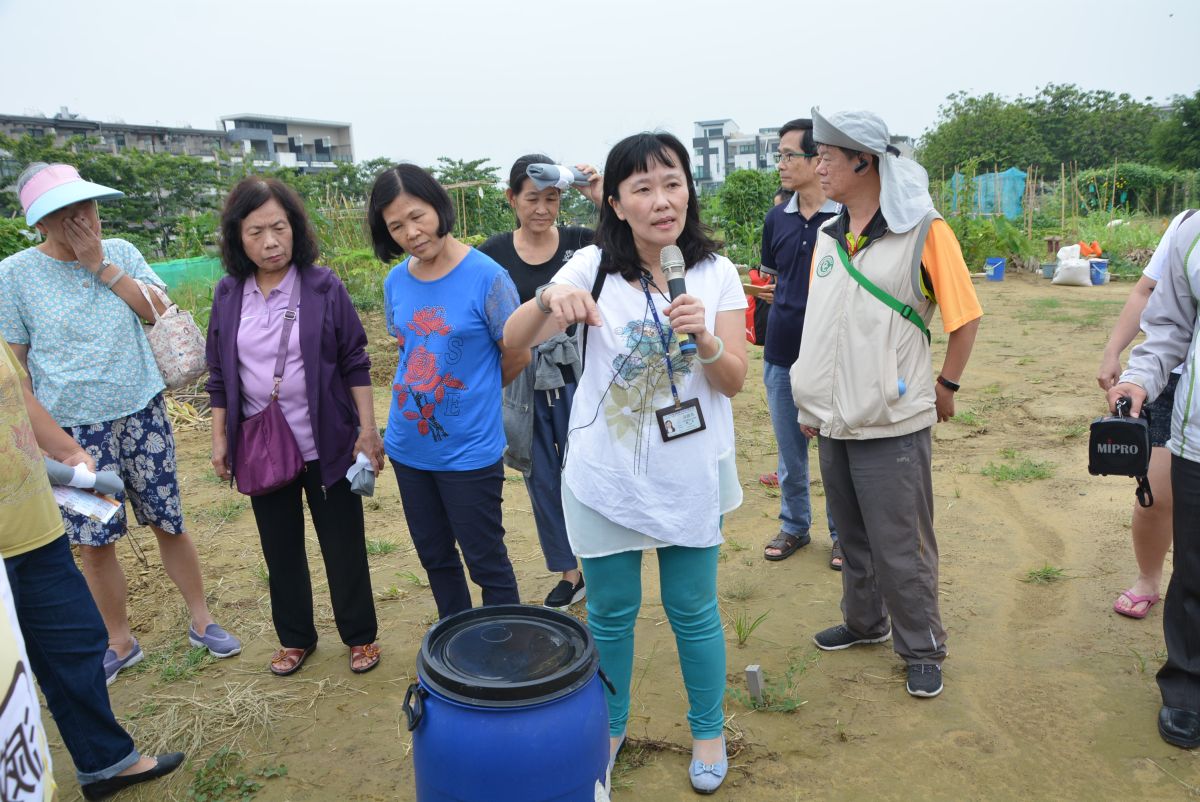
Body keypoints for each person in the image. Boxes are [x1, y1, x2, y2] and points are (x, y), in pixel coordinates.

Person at [504, 132, 748, 794]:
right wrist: (548, 301)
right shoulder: (590, 266)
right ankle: (607, 729)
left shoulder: (715, 272)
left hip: (688, 470)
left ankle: (706, 728)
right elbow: (515, 341)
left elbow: (733, 380)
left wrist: (701, 338)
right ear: (615, 202)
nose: (661, 200)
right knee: (609, 611)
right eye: (642, 188)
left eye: (672, 182)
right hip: (605, 473)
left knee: (692, 607)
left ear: (689, 189)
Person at [0, 163, 239, 685]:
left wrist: (101, 266)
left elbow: (160, 312)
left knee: (167, 518)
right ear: (41, 223)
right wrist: (49, 445)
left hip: (141, 411)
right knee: (96, 538)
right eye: (65, 213)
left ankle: (202, 619)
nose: (82, 220)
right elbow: (15, 368)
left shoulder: (123, 252)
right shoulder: (15, 274)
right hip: (74, 434)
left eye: (86, 207)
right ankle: (119, 640)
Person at [792, 109, 981, 699]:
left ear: (863, 161)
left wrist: (946, 385)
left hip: (892, 420)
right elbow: (822, 327)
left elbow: (965, 316)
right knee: (851, 537)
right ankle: (864, 623)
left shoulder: (925, 231)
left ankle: (922, 647)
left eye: (826, 154)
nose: (817, 164)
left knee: (902, 543)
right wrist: (811, 402)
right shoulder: (828, 235)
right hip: (835, 417)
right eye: (816, 153)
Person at [207, 178, 384, 676]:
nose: (270, 242)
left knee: (343, 543)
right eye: (256, 231)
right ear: (237, 238)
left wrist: (367, 432)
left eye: (279, 228)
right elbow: (220, 375)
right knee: (279, 547)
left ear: (295, 229)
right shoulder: (228, 294)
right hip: (261, 447)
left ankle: (360, 636)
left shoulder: (322, 285)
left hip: (327, 441)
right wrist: (220, 436)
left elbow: (355, 360)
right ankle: (295, 638)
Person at [1, 340, 184, 800]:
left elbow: (17, 395)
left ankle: (106, 762)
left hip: (35, 526)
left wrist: (66, 451)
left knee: (75, 641)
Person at [368, 163, 527, 620]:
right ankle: (458, 644)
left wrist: (473, 396)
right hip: (408, 446)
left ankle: (504, 649)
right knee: (435, 557)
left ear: (438, 205)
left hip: (469, 451)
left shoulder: (488, 277)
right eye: (396, 226)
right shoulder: (396, 281)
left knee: (487, 562)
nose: (411, 233)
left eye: (417, 216)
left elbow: (517, 353)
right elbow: (407, 348)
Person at [479, 154, 602, 609]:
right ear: (512, 199)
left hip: (578, 372)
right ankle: (571, 573)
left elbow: (628, 240)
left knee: (585, 466)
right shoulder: (492, 254)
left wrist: (598, 197)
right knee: (542, 476)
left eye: (551, 199)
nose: (542, 209)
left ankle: (599, 560)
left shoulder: (581, 243)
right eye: (531, 198)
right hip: (521, 377)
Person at [1107, 208, 1200, 749]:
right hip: (1192, 428)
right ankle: (1188, 689)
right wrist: (1137, 374)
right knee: (1191, 567)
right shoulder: (1190, 233)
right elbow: (1167, 322)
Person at [1096, 211, 1191, 618]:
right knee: (1154, 495)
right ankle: (1149, 579)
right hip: (1174, 380)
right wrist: (1114, 351)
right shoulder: (1188, 228)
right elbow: (1147, 291)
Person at [759, 119, 842, 568]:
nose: (782, 164)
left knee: (836, 450)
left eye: (790, 155)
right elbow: (774, 278)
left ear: (816, 160)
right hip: (782, 349)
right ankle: (794, 525)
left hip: (833, 354)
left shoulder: (845, 217)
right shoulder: (777, 219)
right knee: (790, 450)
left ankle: (844, 534)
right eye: (780, 155)